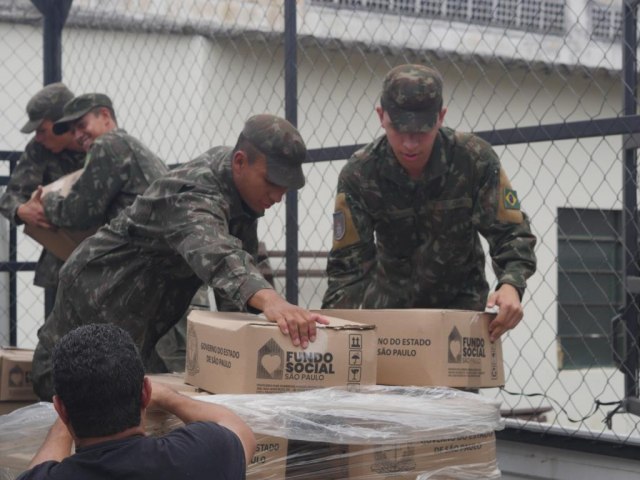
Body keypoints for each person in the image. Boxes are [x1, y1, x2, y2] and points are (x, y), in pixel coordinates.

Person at [32, 113, 329, 400]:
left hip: (145, 304)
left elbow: (240, 256)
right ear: (240, 162)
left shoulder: (241, 187)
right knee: (66, 386)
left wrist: (257, 333)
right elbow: (216, 252)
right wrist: (272, 300)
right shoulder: (194, 191)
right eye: (271, 182)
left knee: (125, 398)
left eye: (284, 188)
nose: (277, 196)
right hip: (102, 290)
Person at [322, 64, 537, 342]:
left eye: (421, 131)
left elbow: (511, 232)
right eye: (399, 129)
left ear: (441, 117)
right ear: (381, 116)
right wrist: (332, 336)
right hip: (391, 319)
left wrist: (511, 285)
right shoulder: (360, 174)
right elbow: (348, 267)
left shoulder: (474, 160)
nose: (410, 144)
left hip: (461, 318)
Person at [17, 323, 255, 480]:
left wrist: (67, 412)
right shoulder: (202, 455)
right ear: (145, 393)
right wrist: (169, 397)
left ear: (60, 409)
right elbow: (239, 429)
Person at [22, 92, 169, 230]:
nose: (78, 136)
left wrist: (45, 200)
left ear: (105, 116)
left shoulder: (105, 145)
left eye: (82, 125)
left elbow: (78, 213)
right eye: (73, 131)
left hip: (144, 241)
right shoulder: (132, 146)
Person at [0, 83, 85, 314]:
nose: (37, 137)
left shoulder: (102, 145)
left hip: (105, 257)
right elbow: (11, 195)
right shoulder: (39, 149)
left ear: (62, 124)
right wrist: (20, 211)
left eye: (42, 130)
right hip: (62, 258)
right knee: (58, 331)